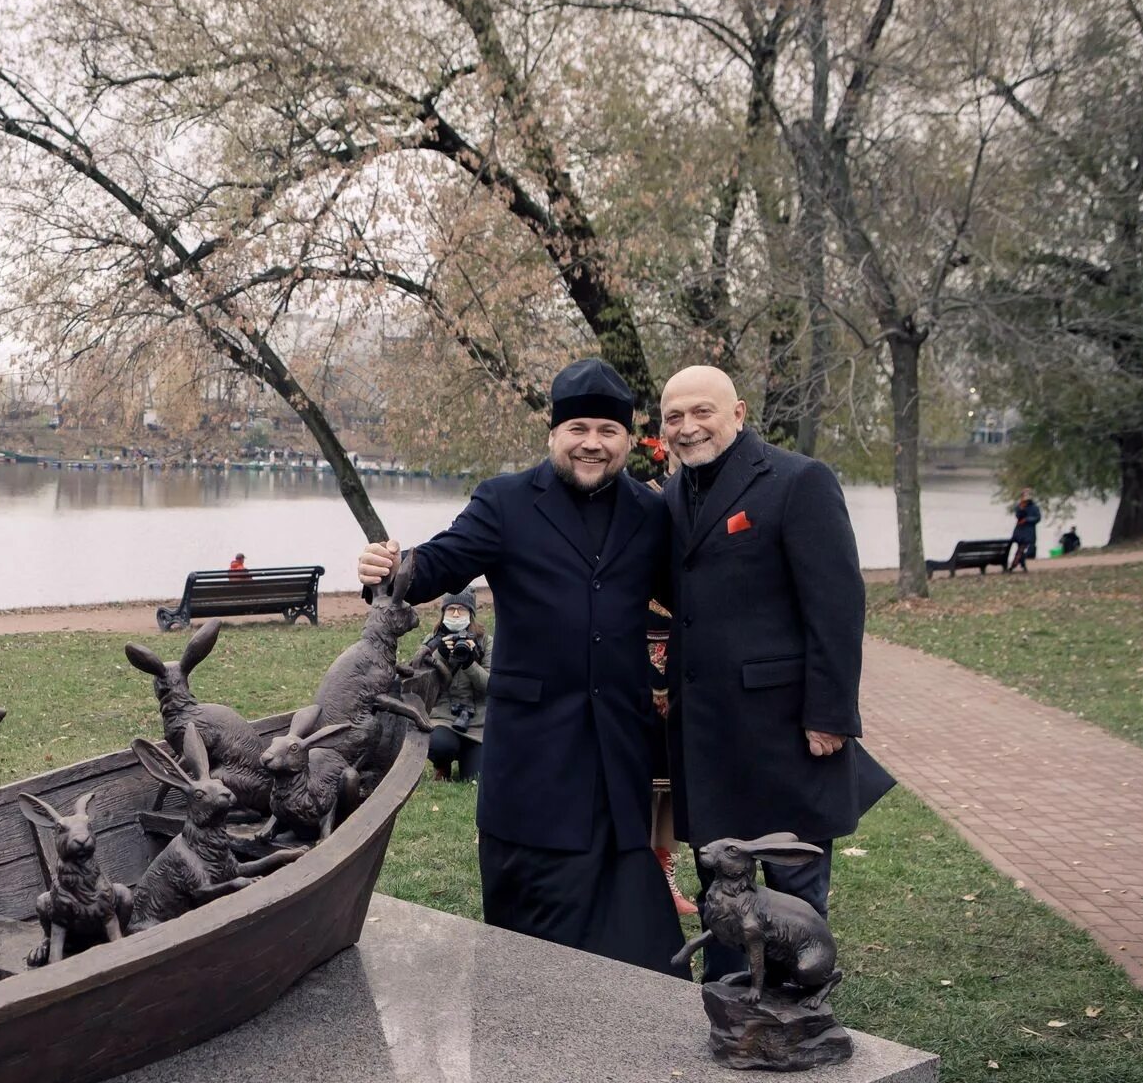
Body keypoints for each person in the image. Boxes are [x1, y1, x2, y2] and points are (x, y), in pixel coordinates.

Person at [359, 358, 684, 977]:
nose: (593, 443)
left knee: (649, 964)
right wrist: (393, 569)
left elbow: (693, 599)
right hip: (534, 760)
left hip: (618, 758)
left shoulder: (650, 511)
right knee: (529, 964)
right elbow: (441, 561)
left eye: (608, 431)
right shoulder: (506, 501)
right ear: (554, 434)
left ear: (628, 439)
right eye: (579, 428)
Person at [658, 365, 893, 982]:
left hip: (786, 731)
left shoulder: (799, 480)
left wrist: (831, 713)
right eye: (674, 417)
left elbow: (837, 605)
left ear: (737, 413)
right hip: (707, 733)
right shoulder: (674, 494)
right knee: (721, 882)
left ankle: (796, 1005)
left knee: (793, 882)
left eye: (701, 412)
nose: (688, 428)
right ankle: (732, 996)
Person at [421, 589, 490, 782]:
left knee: (476, 776)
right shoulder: (432, 641)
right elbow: (421, 685)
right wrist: (439, 655)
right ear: (443, 612)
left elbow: (491, 686)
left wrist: (470, 663)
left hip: (477, 723)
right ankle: (442, 764)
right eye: (451, 609)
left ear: (471, 613)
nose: (456, 614)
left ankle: (468, 757)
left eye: (462, 609)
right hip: (443, 718)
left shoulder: (486, 642)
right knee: (440, 745)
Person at [1011, 487, 1041, 570]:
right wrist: (1021, 509)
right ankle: (1021, 564)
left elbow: (1038, 518)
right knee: (1020, 548)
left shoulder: (1034, 507)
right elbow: (1018, 516)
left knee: (1024, 549)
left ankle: (1015, 564)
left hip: (1029, 532)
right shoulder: (1020, 506)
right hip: (1020, 532)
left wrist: (1027, 520)